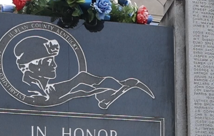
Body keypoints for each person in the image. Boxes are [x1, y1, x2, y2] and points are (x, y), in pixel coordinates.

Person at [13, 36, 154, 109]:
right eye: (49, 61)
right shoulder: (29, 91)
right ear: (32, 65)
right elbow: (54, 100)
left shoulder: (44, 87)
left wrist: (111, 84)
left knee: (81, 77)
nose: (55, 65)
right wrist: (95, 91)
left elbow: (74, 81)